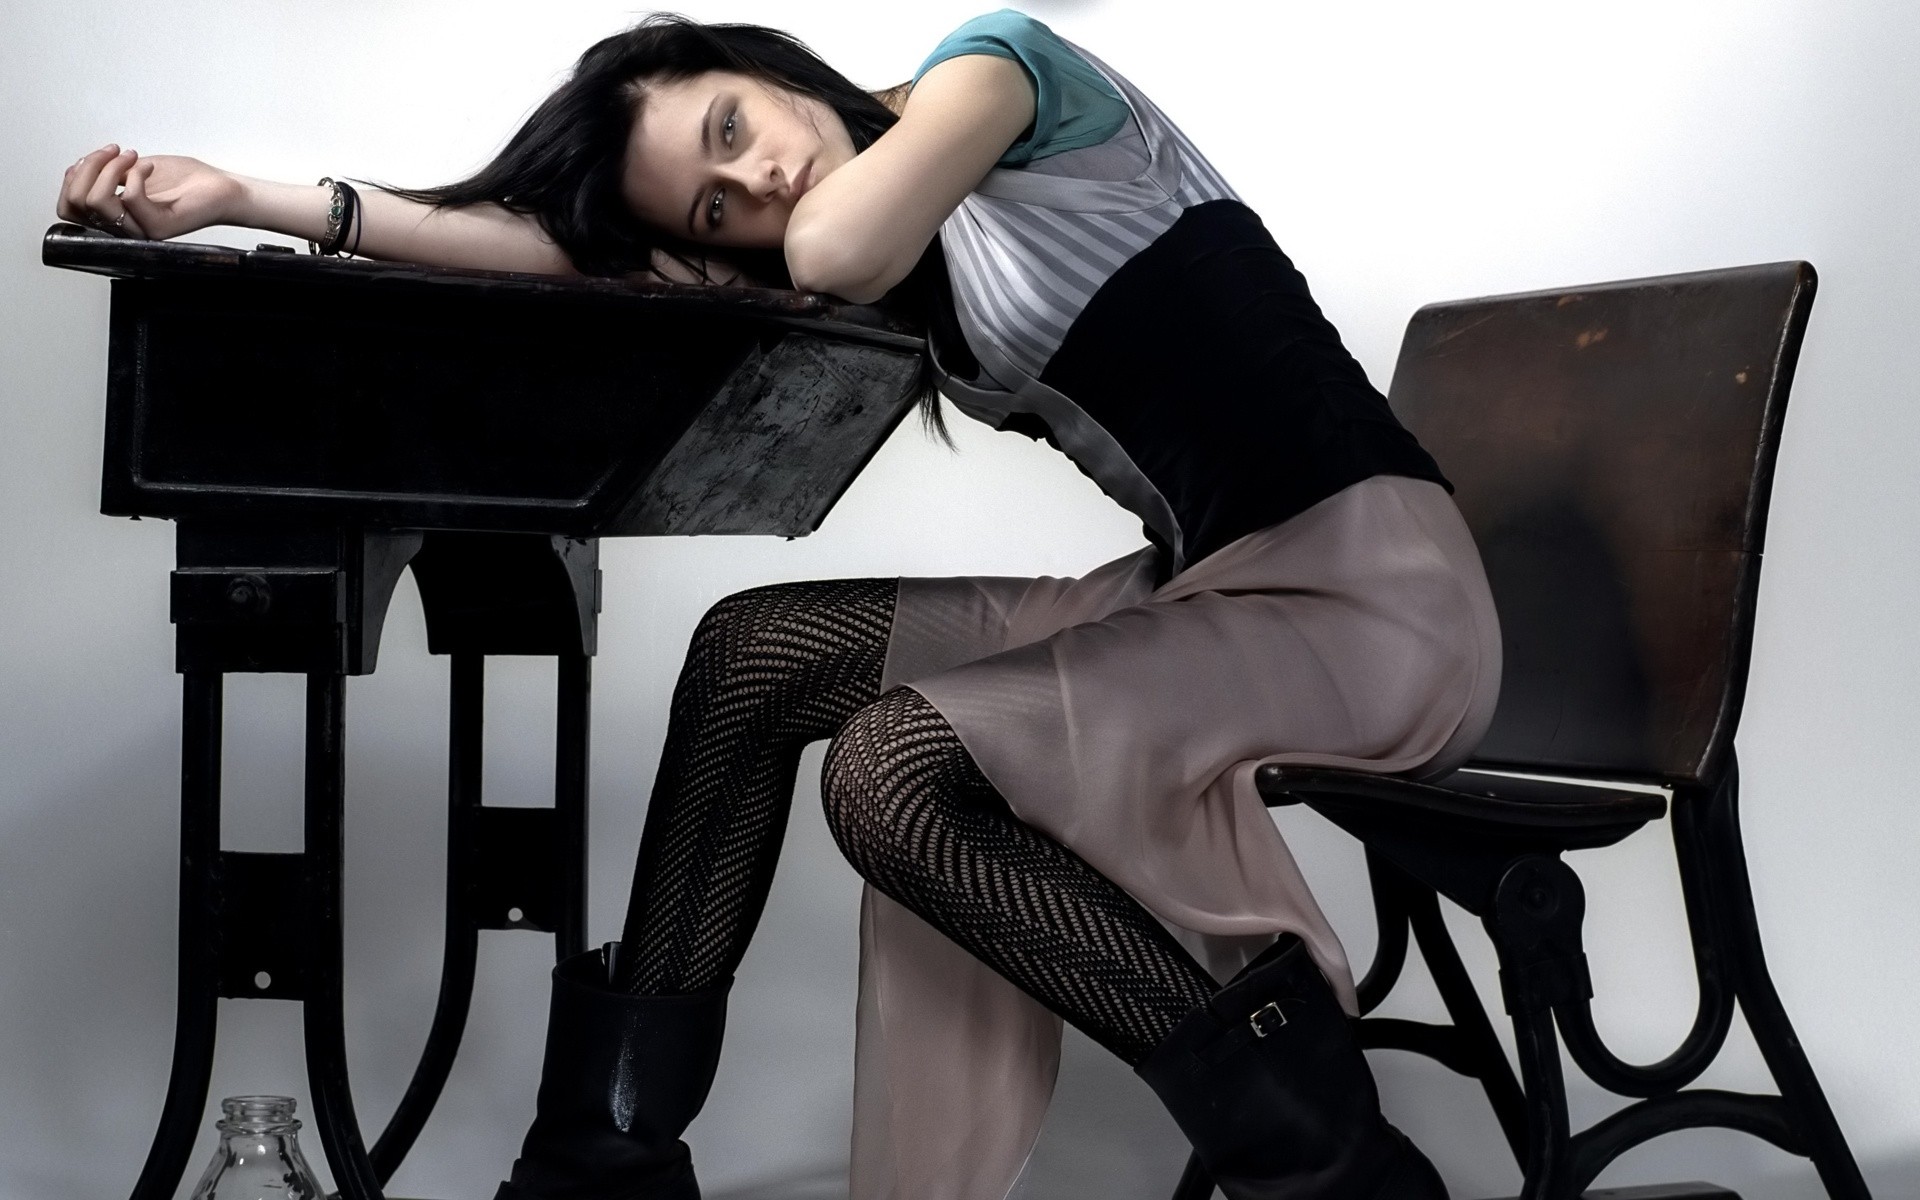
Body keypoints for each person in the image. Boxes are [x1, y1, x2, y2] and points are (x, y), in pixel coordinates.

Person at [58, 10, 1501, 1200]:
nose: (758, 185)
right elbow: (566, 261)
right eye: (715, 204)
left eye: (733, 128)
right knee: (754, 654)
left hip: (1371, 603)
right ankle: (603, 1161)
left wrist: (754, 239)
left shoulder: (995, 73)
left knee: (893, 770)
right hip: (1207, 590)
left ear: (764, 63)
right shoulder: (874, 212)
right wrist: (251, 199)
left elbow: (829, 253)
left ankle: (1336, 1171)